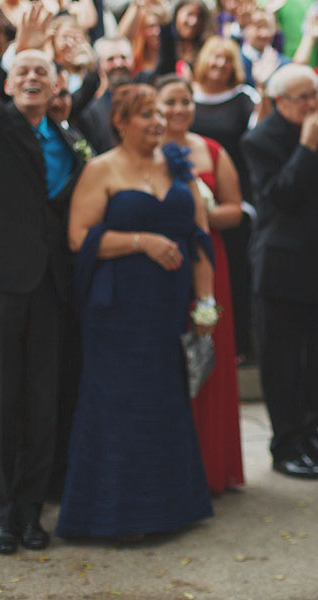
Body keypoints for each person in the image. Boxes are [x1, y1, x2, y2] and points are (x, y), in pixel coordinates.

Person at [0, 30, 88, 555]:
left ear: (56, 87)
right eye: (22, 71)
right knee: (3, 402)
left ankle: (32, 513)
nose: (32, 77)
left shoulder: (68, 138)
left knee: (43, 403)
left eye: (42, 72)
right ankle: (1, 515)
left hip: (52, 288)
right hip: (1, 284)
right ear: (10, 83)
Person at [58, 83, 215, 538]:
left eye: (158, 114)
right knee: (118, 403)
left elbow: (199, 241)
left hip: (169, 306)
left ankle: (168, 509)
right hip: (117, 308)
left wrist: (205, 306)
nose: (157, 122)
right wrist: (140, 242)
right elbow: (78, 237)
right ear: (120, 122)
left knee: (166, 400)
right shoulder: (100, 169)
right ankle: (111, 513)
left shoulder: (180, 167)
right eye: (145, 115)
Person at [241, 64, 318, 479]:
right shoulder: (259, 140)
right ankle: (285, 444)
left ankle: (312, 435)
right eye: (303, 98)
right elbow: (279, 197)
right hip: (281, 268)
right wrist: (305, 148)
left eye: (315, 95)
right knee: (282, 361)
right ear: (280, 101)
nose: (312, 104)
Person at [157, 75, 245, 495]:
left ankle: (212, 465)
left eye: (186, 101)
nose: (179, 109)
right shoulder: (146, 152)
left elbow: (236, 210)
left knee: (208, 356)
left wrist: (198, 217)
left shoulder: (212, 150)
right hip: (161, 262)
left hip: (210, 259)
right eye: (170, 101)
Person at [189, 36, 256, 359]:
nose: (219, 65)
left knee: (234, 274)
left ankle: (238, 344)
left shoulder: (244, 100)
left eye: (226, 59)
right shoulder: (186, 97)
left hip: (230, 200)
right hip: (189, 199)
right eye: (214, 58)